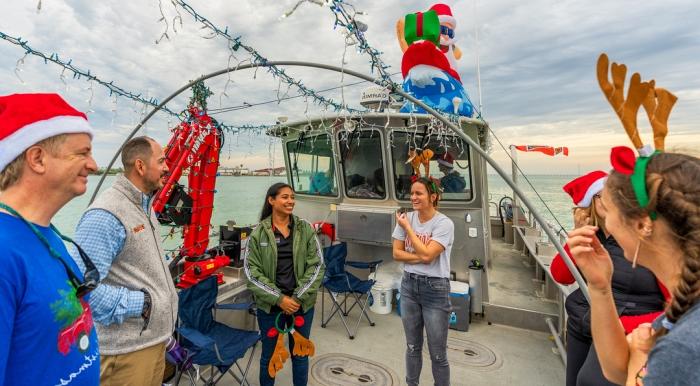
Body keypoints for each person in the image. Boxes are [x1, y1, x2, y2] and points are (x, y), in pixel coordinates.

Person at [567, 150, 700, 385]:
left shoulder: (681, 351)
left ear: (642, 224)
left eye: (610, 210)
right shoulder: (684, 309)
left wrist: (638, 361)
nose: (606, 222)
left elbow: (629, 375)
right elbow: (615, 371)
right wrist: (600, 287)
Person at [0, 93, 100, 385]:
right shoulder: (3, 252)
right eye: (82, 153)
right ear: (38, 158)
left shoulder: (47, 234)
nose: (93, 165)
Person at [71, 136, 177, 386]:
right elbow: (78, 286)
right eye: (161, 161)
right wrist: (142, 304)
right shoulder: (106, 214)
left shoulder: (144, 206)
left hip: (151, 343)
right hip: (126, 353)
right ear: (140, 166)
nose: (167, 168)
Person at [550, 171, 667, 386]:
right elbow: (561, 275)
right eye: (605, 195)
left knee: (589, 380)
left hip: (626, 335)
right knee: (575, 381)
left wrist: (624, 326)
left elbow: (678, 305)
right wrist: (578, 233)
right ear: (591, 203)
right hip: (582, 324)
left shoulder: (644, 244)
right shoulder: (592, 237)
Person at [244, 182, 325, 386]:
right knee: (268, 357)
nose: (291, 201)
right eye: (285, 197)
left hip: (301, 305)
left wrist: (296, 298)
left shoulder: (304, 229)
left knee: (300, 354)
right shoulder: (258, 234)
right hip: (271, 308)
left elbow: (317, 265)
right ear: (271, 201)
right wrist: (279, 299)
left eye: (292, 197)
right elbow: (251, 273)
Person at [392, 177, 455, 386]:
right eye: (412, 193)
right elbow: (396, 253)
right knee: (412, 346)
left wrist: (409, 229)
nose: (413, 197)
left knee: (437, 353)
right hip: (409, 285)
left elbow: (430, 256)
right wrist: (422, 256)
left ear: (433, 197)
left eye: (419, 193)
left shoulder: (444, 224)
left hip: (435, 289)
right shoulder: (406, 217)